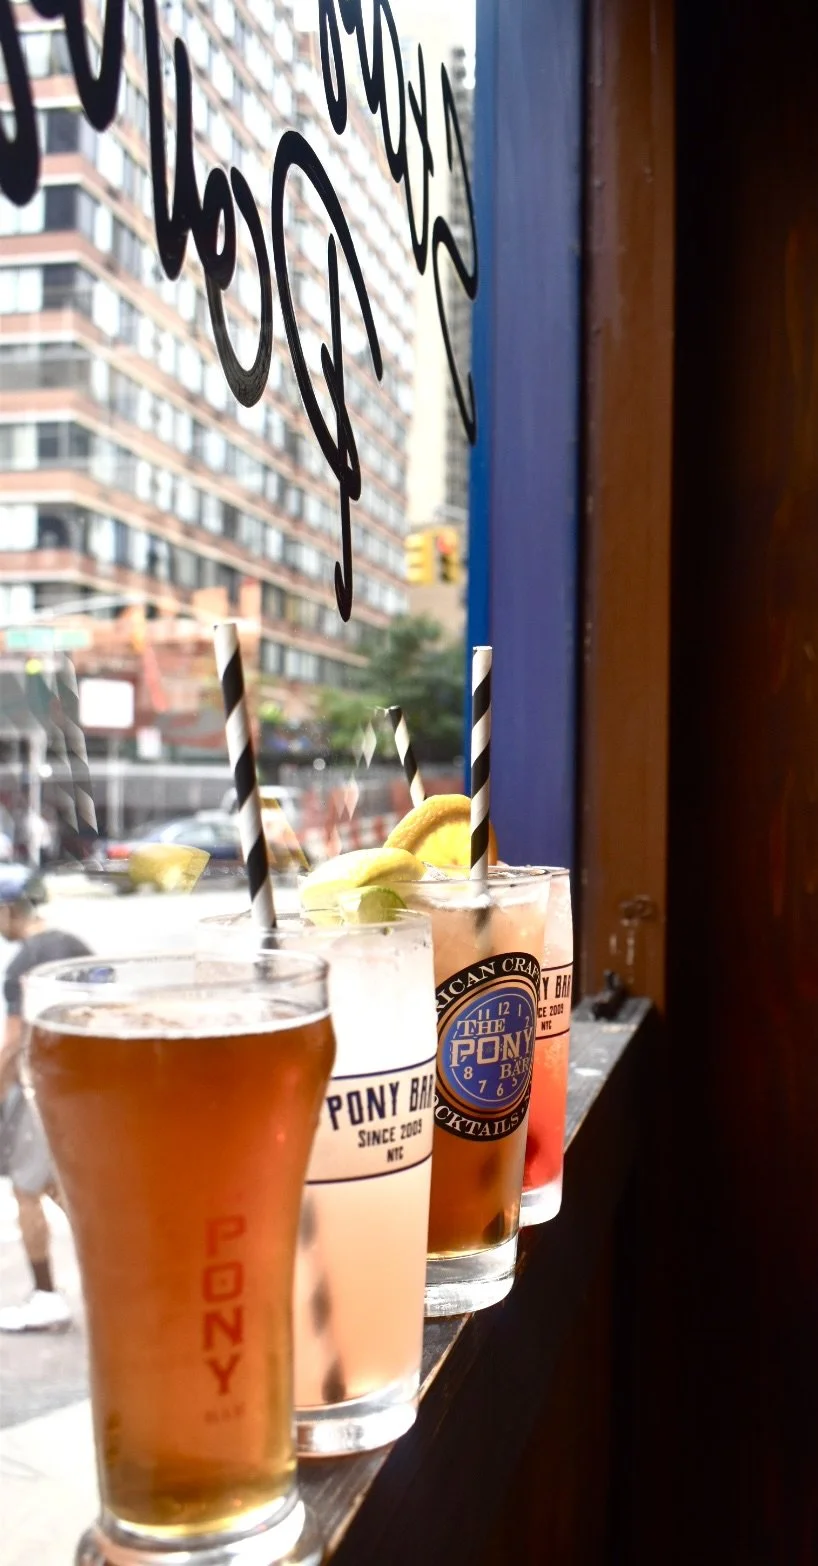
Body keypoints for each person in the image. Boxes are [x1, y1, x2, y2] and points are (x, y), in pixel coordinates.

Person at [0, 866, 91, 1332]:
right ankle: (119, 1269)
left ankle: (45, 1297)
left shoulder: (23, 963)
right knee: (63, 1189)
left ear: (8, 909)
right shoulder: (71, 945)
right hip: (88, 1087)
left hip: (46, 1086)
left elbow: (16, 1045)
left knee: (26, 1188)